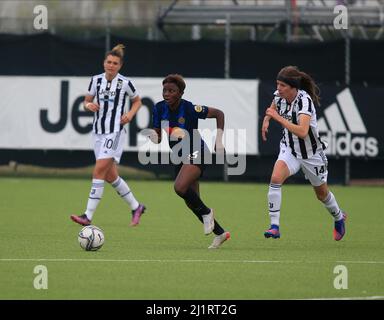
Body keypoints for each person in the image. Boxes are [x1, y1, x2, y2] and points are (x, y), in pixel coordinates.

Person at [261, 65, 347, 241]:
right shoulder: (279, 96)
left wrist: (275, 117)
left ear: (293, 87)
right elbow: (273, 106)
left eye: (282, 85)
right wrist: (267, 119)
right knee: (276, 178)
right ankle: (274, 226)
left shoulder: (304, 100)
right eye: (277, 84)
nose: (278, 88)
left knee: (321, 194)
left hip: (312, 154)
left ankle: (338, 217)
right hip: (290, 149)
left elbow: (302, 131)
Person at [149, 74, 230, 249]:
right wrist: (152, 135)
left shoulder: (190, 108)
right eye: (165, 90)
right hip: (179, 156)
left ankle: (208, 213)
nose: (167, 94)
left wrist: (219, 140)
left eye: (172, 91)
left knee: (179, 187)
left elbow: (219, 114)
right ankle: (221, 233)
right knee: (192, 202)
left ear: (181, 93)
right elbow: (157, 138)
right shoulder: (159, 108)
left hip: (198, 152)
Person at [70, 44, 146, 227]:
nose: (111, 65)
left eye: (115, 63)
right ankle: (136, 207)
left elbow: (137, 101)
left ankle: (87, 215)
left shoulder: (125, 83)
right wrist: (88, 106)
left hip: (115, 131)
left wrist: (130, 115)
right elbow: (86, 101)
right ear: (104, 63)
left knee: (98, 171)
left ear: (120, 66)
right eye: (109, 62)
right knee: (110, 176)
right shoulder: (95, 81)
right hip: (98, 132)